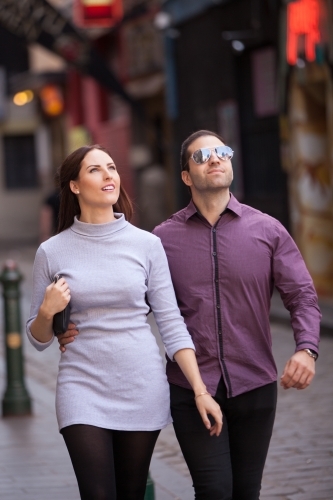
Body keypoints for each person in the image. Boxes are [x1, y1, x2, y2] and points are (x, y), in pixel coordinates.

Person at [58, 131, 321, 500]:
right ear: (186, 176)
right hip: (189, 387)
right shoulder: (163, 239)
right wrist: (65, 326)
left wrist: (306, 348)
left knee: (246, 492)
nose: (215, 159)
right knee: (213, 490)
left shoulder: (268, 230)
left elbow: (303, 296)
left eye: (222, 152)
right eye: (202, 156)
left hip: (255, 383)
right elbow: (129, 300)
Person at [26, 144, 222, 500]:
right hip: (81, 385)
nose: (108, 175)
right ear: (74, 185)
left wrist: (200, 390)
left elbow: (171, 322)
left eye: (112, 168)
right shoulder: (51, 251)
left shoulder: (146, 245)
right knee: (97, 494)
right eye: (95, 169)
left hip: (140, 384)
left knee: (131, 492)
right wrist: (46, 311)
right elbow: (38, 338)